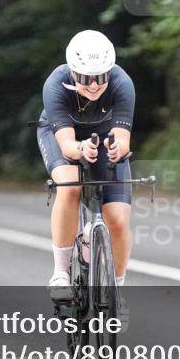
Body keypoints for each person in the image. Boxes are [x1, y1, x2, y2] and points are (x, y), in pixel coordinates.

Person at [36, 30, 135, 308]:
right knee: (71, 186)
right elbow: (67, 145)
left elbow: (123, 139)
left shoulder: (122, 83)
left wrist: (117, 149)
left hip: (104, 136)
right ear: (72, 71)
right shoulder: (55, 84)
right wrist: (81, 150)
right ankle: (60, 274)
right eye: (84, 78)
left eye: (101, 77)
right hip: (62, 135)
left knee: (117, 219)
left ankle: (116, 293)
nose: (93, 86)